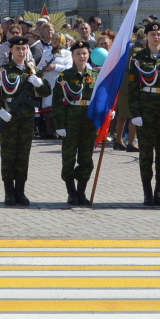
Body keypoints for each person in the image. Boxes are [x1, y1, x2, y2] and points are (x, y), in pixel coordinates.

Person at [0, 34, 50, 206]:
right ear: (11, 50)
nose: (21, 51)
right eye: (18, 48)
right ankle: (9, 193)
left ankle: (20, 192)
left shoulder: (32, 71)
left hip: (26, 119)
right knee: (8, 155)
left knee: (23, 155)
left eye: (24, 48)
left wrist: (39, 84)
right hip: (9, 118)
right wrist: (0, 111)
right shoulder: (3, 71)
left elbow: (47, 92)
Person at [127, 22, 160, 207]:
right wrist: (135, 113)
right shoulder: (138, 58)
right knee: (146, 153)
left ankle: (159, 191)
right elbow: (132, 88)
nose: (156, 37)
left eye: (159, 34)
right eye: (153, 34)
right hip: (146, 107)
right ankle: (147, 192)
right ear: (147, 36)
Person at [53, 40, 98, 205]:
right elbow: (57, 102)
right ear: (72, 55)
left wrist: (107, 112)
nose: (82, 56)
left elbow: (101, 98)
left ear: (89, 55)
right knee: (69, 157)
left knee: (86, 158)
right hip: (71, 120)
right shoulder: (64, 77)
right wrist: (59, 124)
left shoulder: (95, 76)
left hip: (89, 121)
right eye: (78, 53)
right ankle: (71, 193)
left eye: (84, 53)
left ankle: (81, 192)